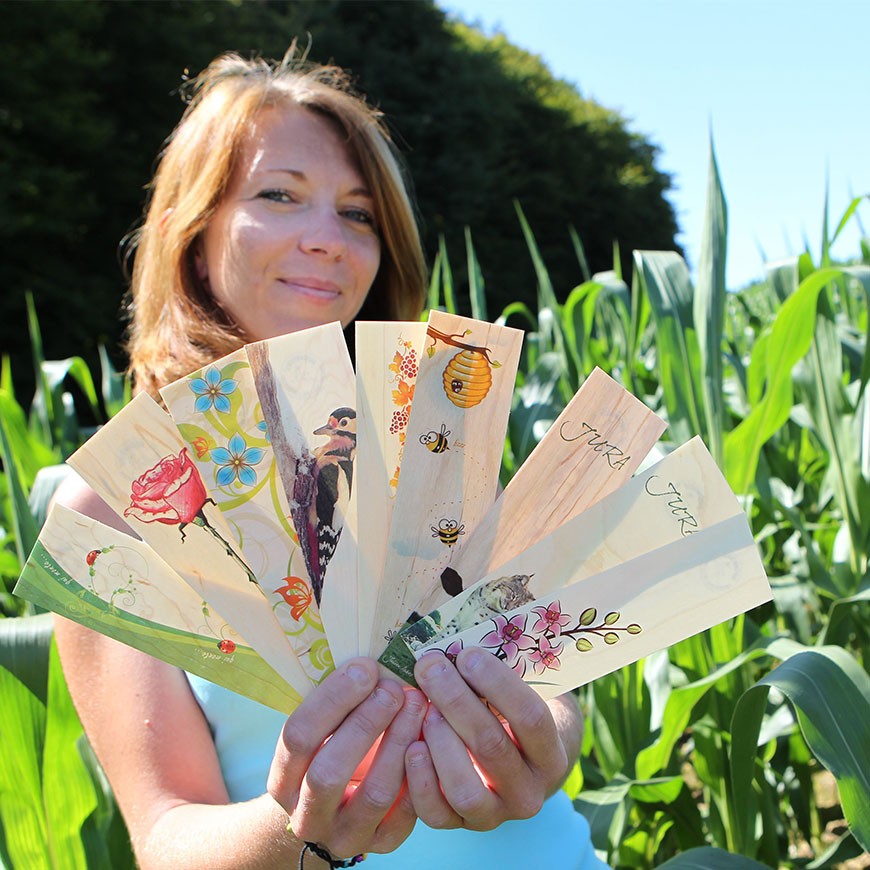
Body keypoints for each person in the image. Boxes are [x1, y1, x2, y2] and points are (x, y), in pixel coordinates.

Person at [53, 48, 605, 869]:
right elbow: (165, 838)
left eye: (358, 215)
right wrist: (301, 826)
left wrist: (536, 740)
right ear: (192, 235)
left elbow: (551, 678)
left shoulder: (432, 440)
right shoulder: (109, 505)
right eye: (279, 196)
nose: (328, 241)